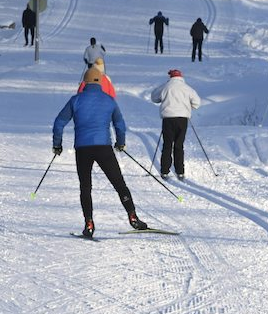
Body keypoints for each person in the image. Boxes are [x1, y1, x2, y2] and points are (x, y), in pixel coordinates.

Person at [52, 73, 148, 238]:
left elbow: (59, 123)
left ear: (85, 81)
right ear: (101, 82)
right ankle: (133, 216)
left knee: (85, 187)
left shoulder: (76, 100)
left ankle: (89, 223)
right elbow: (120, 124)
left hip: (83, 149)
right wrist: (120, 142)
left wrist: (57, 144)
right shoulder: (109, 100)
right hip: (104, 147)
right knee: (119, 183)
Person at [150, 69, 201, 180]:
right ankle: (180, 171)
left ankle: (164, 171)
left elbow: (154, 98)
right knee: (179, 145)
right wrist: (188, 107)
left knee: (167, 145)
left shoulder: (166, 86)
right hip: (182, 119)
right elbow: (197, 103)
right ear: (181, 77)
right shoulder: (187, 88)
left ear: (170, 77)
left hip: (168, 119)